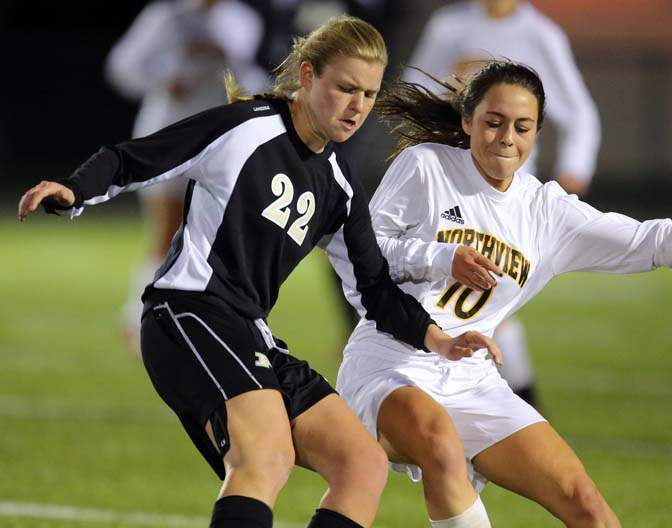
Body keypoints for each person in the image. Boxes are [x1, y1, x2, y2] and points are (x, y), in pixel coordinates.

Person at [17, 16, 499, 528]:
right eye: (345, 88)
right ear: (308, 76)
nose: (357, 106)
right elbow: (136, 158)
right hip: (188, 313)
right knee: (265, 458)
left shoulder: (339, 185)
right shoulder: (245, 127)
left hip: (250, 331)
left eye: (369, 94)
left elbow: (374, 288)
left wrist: (440, 340)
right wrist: (75, 190)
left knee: (361, 464)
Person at [333, 61, 672, 527]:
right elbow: (360, 249)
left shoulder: (546, 211)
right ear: (467, 122)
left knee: (587, 505)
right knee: (439, 446)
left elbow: (645, 240)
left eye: (522, 127)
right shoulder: (426, 165)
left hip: (471, 377)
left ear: (536, 133)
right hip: (392, 362)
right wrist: (441, 257)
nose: (507, 137)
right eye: (493, 122)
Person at [404, 0, 602, 406]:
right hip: (450, 184)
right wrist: (455, 86)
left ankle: (515, 413)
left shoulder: (540, 34)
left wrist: (570, 178)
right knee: (465, 302)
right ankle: (514, 412)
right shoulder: (449, 26)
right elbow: (413, 86)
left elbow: (579, 113)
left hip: (509, 193)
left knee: (483, 299)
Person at [105, 0, 270, 354]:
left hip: (218, 142)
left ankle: (183, 320)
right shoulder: (166, 17)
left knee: (204, 239)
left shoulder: (240, 20)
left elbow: (254, 79)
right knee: (166, 230)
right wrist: (167, 78)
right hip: (167, 132)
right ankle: (137, 320)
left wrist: (227, 60)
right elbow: (123, 67)